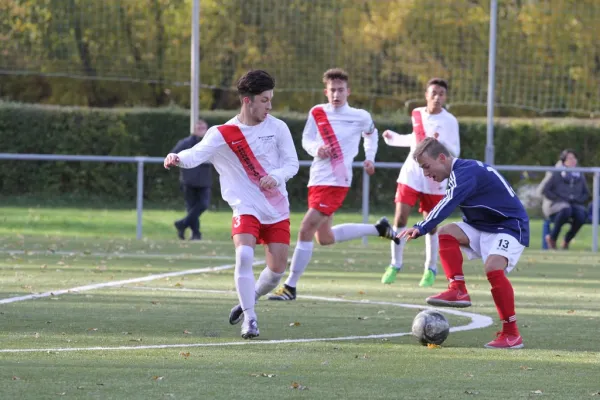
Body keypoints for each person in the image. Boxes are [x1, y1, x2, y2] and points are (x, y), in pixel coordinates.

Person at [164, 70, 299, 339]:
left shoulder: (278, 127)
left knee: (275, 274)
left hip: (276, 209)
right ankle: (250, 319)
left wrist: (276, 176)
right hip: (245, 207)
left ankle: (248, 299)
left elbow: (292, 164)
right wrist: (176, 157)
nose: (269, 106)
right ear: (247, 101)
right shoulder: (223, 133)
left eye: (270, 99)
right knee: (244, 255)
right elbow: (195, 154)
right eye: (264, 100)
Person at [266, 67, 399, 301]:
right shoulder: (317, 112)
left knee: (305, 228)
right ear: (325, 92)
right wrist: (315, 149)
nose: (336, 94)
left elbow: (371, 134)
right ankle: (379, 229)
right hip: (317, 178)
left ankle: (290, 286)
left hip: (337, 181)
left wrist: (370, 158)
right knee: (324, 238)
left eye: (340, 90)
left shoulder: (360, 116)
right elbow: (307, 139)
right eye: (332, 90)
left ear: (348, 91)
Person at [398, 137, 529, 349]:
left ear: (442, 158)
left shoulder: (466, 173)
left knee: (493, 268)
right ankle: (457, 289)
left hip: (509, 226)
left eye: (426, 166)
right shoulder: (460, 173)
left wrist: (421, 226)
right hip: (482, 226)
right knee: (447, 233)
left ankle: (511, 333)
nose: (426, 173)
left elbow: (448, 202)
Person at [380, 78, 460, 287]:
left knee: (430, 223)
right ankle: (395, 264)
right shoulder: (417, 113)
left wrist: (437, 143)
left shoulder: (450, 121)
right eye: (433, 92)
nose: (437, 97)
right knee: (400, 217)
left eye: (441, 93)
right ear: (426, 95)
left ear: (445, 97)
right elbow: (415, 140)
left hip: (434, 176)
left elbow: (455, 150)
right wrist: (394, 138)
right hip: (411, 174)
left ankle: (430, 269)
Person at [171, 119, 213, 240]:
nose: (201, 130)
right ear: (194, 129)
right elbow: (173, 154)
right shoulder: (186, 142)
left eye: (203, 128)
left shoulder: (210, 143)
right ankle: (196, 234)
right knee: (191, 208)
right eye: (198, 127)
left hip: (204, 181)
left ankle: (181, 224)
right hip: (189, 181)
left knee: (203, 205)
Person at [541, 149, 590, 250]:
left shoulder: (579, 174)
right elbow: (545, 190)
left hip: (573, 205)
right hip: (555, 205)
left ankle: (566, 240)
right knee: (566, 209)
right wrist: (559, 198)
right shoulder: (556, 173)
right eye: (569, 158)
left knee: (581, 214)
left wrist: (577, 199)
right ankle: (552, 238)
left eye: (574, 158)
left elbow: (586, 193)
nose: (572, 160)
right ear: (563, 160)